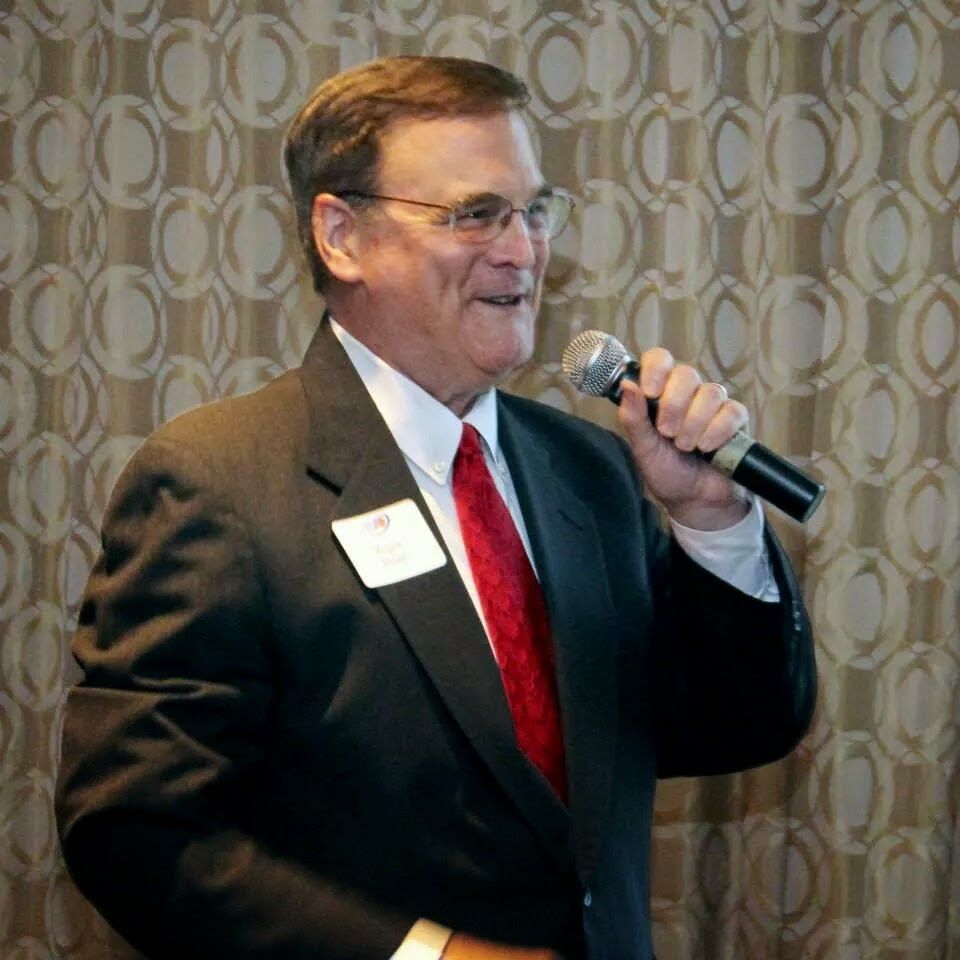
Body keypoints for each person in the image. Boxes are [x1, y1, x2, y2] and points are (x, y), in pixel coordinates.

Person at [56, 56, 816, 960]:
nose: (522, 251)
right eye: (474, 214)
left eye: (534, 211)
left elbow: (728, 727)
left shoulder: (591, 470)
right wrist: (429, 958)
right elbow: (140, 832)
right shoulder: (216, 483)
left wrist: (709, 520)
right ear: (341, 236)